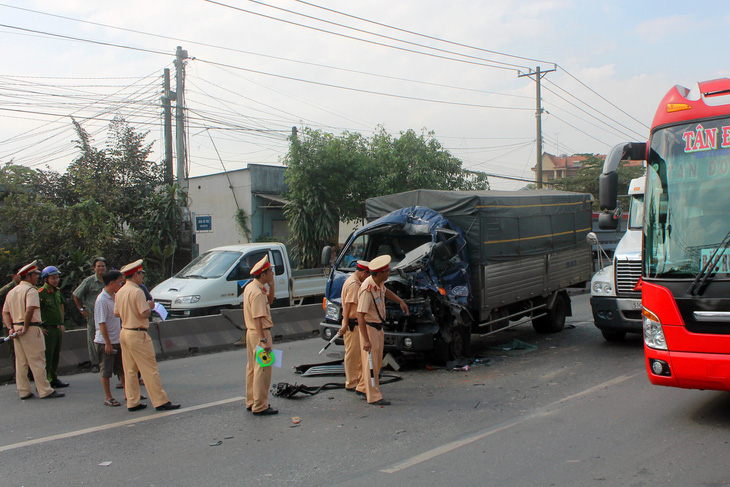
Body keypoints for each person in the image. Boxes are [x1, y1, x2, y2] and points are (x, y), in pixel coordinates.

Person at [115, 259, 179, 412]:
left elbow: (116, 312)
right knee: (149, 369)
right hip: (138, 333)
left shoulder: (120, 291)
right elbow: (144, 313)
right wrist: (150, 306)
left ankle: (132, 401)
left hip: (125, 331)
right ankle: (160, 400)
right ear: (136, 274)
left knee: (130, 370)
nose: (142, 276)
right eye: (141, 274)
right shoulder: (137, 292)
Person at [2, 260, 64, 399]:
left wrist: (10, 328)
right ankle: (45, 390)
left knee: (21, 363)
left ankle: (24, 391)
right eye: (35, 275)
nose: (37, 277)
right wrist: (25, 325)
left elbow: (5, 312)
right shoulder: (31, 291)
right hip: (30, 328)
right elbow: (30, 309)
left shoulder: (12, 291)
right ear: (28, 276)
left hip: (17, 328)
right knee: (37, 361)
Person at [357, 255, 408, 406]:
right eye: (386, 271)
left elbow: (386, 292)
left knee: (376, 361)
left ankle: (362, 387)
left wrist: (400, 301)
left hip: (378, 327)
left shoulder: (378, 284)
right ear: (379, 273)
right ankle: (373, 396)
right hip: (370, 328)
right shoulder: (367, 289)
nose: (389, 272)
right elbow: (360, 315)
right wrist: (366, 339)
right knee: (371, 363)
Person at [244, 255, 278, 416]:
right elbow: (258, 318)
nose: (272, 273)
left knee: (252, 368)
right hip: (260, 333)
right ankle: (260, 405)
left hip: (252, 334)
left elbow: (270, 302)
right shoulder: (257, 292)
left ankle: (251, 400)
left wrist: (272, 286)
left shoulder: (253, 287)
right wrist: (264, 340)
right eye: (270, 271)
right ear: (262, 274)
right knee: (262, 370)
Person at [338, 260, 369, 394]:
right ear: (363, 272)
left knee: (356, 353)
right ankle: (351, 382)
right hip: (352, 324)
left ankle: (356, 380)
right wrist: (345, 324)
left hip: (353, 323)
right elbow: (347, 306)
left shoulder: (352, 280)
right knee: (353, 354)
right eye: (368, 274)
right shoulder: (354, 285)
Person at [94, 270, 125, 407]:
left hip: (117, 339)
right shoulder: (102, 300)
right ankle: (108, 397)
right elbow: (102, 323)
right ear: (112, 283)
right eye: (119, 282)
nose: (121, 284)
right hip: (105, 341)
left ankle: (128, 393)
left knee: (122, 369)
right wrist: (107, 343)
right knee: (106, 370)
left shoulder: (115, 297)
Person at [73, 257, 107, 373]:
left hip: (107, 315)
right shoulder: (89, 281)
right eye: (99, 266)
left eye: (103, 266)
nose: (101, 268)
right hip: (93, 315)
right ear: (94, 268)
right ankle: (95, 363)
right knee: (92, 339)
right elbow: (76, 294)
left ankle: (106, 361)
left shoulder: (108, 280)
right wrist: (81, 309)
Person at [38, 266, 69, 388]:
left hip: (57, 328)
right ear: (46, 279)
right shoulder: (40, 293)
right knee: (47, 356)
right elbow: (36, 311)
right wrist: (39, 326)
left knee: (56, 354)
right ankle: (45, 381)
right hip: (47, 328)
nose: (56, 280)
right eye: (53, 278)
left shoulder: (57, 291)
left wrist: (61, 323)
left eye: (57, 278)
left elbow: (61, 307)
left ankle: (54, 378)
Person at [0, 263, 23, 380]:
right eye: (20, 274)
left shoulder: (27, 287)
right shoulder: (7, 290)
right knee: (14, 350)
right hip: (10, 323)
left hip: (22, 323)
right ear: (14, 276)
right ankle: (17, 374)